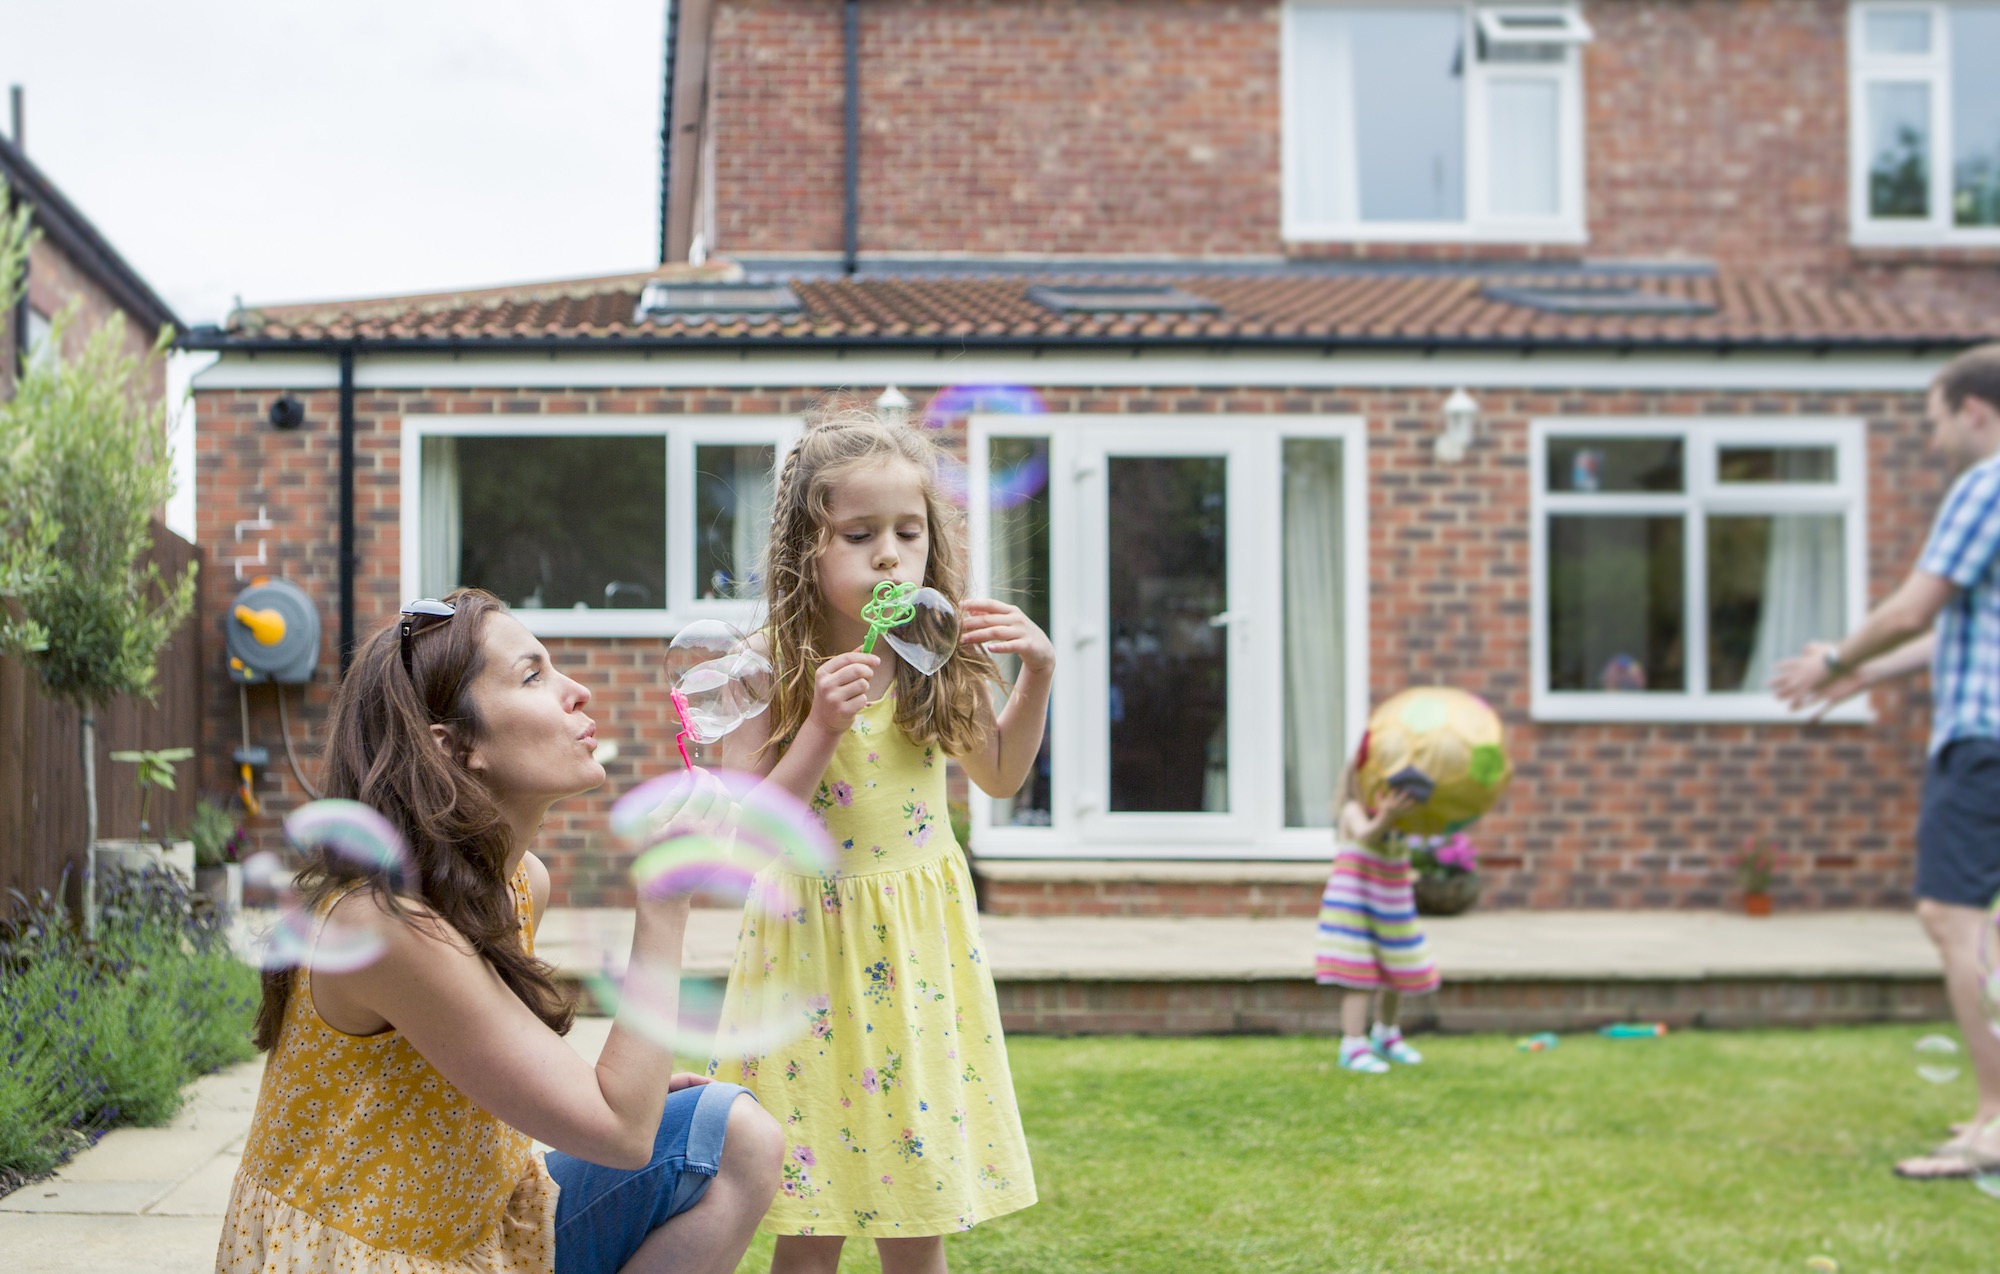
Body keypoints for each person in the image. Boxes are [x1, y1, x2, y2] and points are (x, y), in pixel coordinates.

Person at [218, 588, 784, 1273]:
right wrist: (665, 901)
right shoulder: (390, 925)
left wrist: (619, 1090)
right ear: (455, 746)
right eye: (533, 675)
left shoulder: (521, 883)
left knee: (736, 1138)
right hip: (375, 1257)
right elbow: (621, 1134)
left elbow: (480, 1061)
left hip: (477, 1227)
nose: (576, 692)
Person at [707, 413, 1053, 1273]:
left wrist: (1037, 674)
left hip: (916, 953)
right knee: (811, 1211)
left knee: (915, 1211)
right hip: (807, 952)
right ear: (804, 552)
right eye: (860, 535)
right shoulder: (762, 668)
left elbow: (1002, 772)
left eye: (909, 531)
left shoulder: (935, 658)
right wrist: (822, 724)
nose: (891, 556)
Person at [1773, 342, 2000, 1180]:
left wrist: (1834, 659)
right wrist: (1870, 670)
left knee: (1953, 919)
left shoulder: (1985, 484)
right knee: (1980, 930)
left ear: (1973, 409)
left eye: (1936, 418)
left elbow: (1916, 604)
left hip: (1983, 741)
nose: (1933, 438)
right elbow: (1967, 625)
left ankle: (1996, 1118)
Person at [1314, 769, 1437, 1074]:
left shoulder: (1402, 818)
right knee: (1359, 975)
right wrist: (1385, 816)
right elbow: (1366, 833)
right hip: (1355, 905)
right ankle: (1353, 1046)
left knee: (1396, 972)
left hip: (1390, 904)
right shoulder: (1353, 810)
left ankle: (1387, 1035)